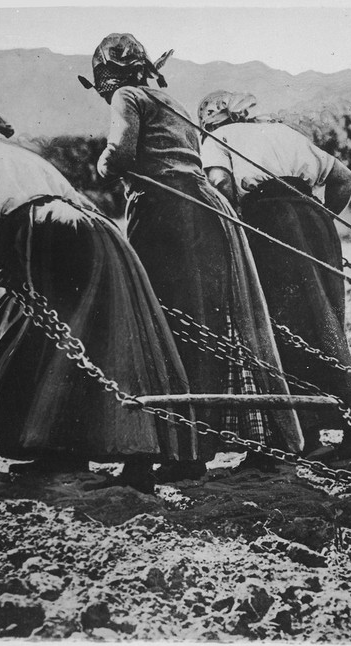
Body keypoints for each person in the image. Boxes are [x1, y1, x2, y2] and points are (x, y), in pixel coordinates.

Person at [0, 93, 200, 493]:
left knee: (33, 335)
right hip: (99, 232)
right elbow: (78, 206)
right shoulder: (24, 157)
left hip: (42, 229)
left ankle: (57, 447)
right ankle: (133, 455)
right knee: (104, 338)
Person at [82, 34, 303, 475]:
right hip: (207, 210)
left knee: (163, 324)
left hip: (167, 214)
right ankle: (224, 442)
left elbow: (121, 153)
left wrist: (104, 166)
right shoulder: (173, 100)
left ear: (108, 77)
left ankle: (184, 453)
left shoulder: (127, 97)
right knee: (214, 322)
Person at [197, 91, 351, 459]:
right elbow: (345, 179)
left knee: (284, 325)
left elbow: (221, 186)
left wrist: (239, 228)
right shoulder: (284, 133)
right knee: (327, 322)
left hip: (268, 223)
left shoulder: (216, 140)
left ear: (209, 121)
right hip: (316, 223)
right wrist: (318, 218)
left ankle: (308, 433)